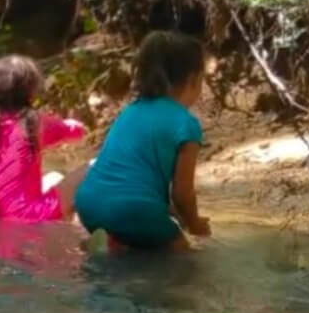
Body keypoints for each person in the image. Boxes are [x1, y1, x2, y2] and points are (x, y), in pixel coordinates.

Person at [74, 31, 211, 251]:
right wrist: (194, 224)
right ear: (193, 80)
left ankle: (111, 245)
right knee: (185, 257)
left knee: (137, 233)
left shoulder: (131, 111)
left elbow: (135, 182)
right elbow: (182, 194)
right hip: (133, 209)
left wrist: (175, 217)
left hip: (88, 203)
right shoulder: (186, 124)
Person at [0, 55, 87, 221]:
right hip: (35, 215)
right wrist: (77, 126)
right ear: (32, 94)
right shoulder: (36, 124)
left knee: (54, 177)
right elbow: (76, 132)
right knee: (94, 167)